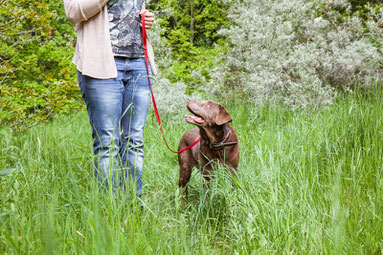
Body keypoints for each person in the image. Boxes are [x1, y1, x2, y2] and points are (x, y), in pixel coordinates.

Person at [63, 0, 157, 197]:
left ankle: (132, 205)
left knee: (135, 140)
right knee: (107, 142)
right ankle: (108, 209)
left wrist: (146, 18)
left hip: (139, 61)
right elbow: (72, 12)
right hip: (101, 63)